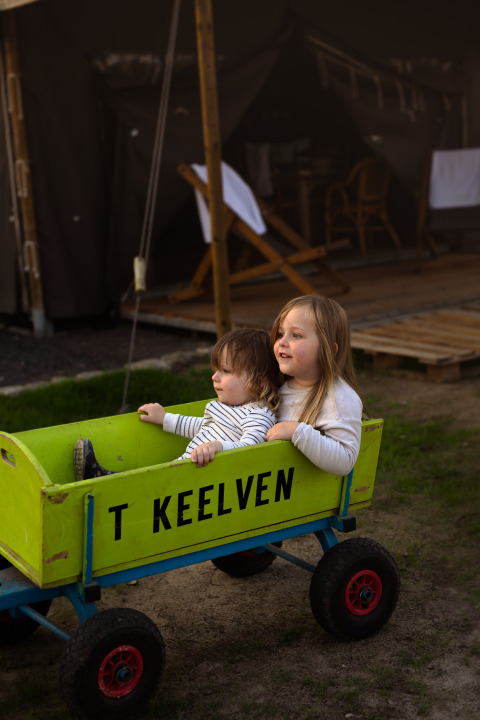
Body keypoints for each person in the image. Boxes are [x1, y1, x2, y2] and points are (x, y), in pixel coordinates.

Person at [74, 328, 281, 479]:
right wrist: (165, 418)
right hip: (187, 473)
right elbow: (199, 426)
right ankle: (104, 480)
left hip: (205, 482)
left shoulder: (258, 415)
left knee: (145, 484)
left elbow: (252, 449)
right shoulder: (227, 408)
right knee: (146, 482)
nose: (214, 377)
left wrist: (218, 447)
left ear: (259, 381)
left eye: (225, 371)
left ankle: (102, 480)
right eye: (216, 370)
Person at [265, 294, 363, 476]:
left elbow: (345, 461)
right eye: (280, 334)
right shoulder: (276, 386)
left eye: (296, 335)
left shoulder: (338, 399)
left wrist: (296, 431)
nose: (282, 342)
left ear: (328, 350)